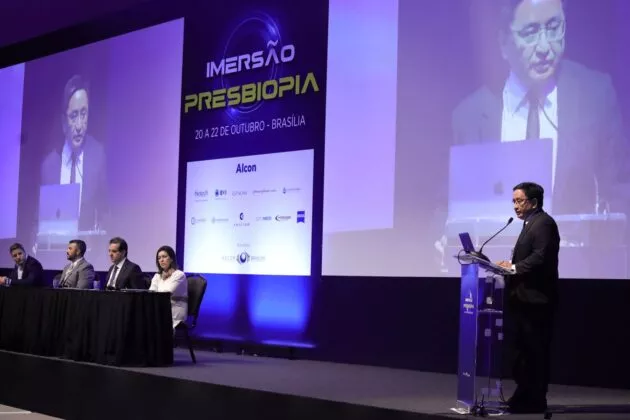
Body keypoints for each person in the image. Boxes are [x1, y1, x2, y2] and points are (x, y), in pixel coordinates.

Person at [452, 0, 628, 215]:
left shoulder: (595, 96)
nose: (545, 48)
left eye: (554, 28)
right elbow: (448, 209)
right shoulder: (469, 116)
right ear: (503, 42)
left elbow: (620, 193)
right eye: (530, 32)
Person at [496, 182, 559, 413]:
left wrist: (513, 268)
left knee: (535, 352)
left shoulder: (544, 223)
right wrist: (508, 265)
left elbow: (540, 257)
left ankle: (534, 400)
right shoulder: (529, 223)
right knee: (523, 352)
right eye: (513, 201)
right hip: (523, 300)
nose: (515, 205)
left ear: (533, 202)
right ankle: (523, 396)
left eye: (519, 201)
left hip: (536, 301)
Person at [40, 74, 109, 232]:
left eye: (83, 114)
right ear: (64, 121)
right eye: (73, 116)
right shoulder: (49, 166)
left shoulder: (98, 156)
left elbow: (106, 214)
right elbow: (40, 223)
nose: (79, 126)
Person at [149, 246, 188, 329]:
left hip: (175, 311)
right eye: (159, 258)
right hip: (160, 308)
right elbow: (151, 293)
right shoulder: (157, 276)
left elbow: (166, 293)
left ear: (171, 259)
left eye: (164, 256)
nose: (161, 260)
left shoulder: (179, 275)